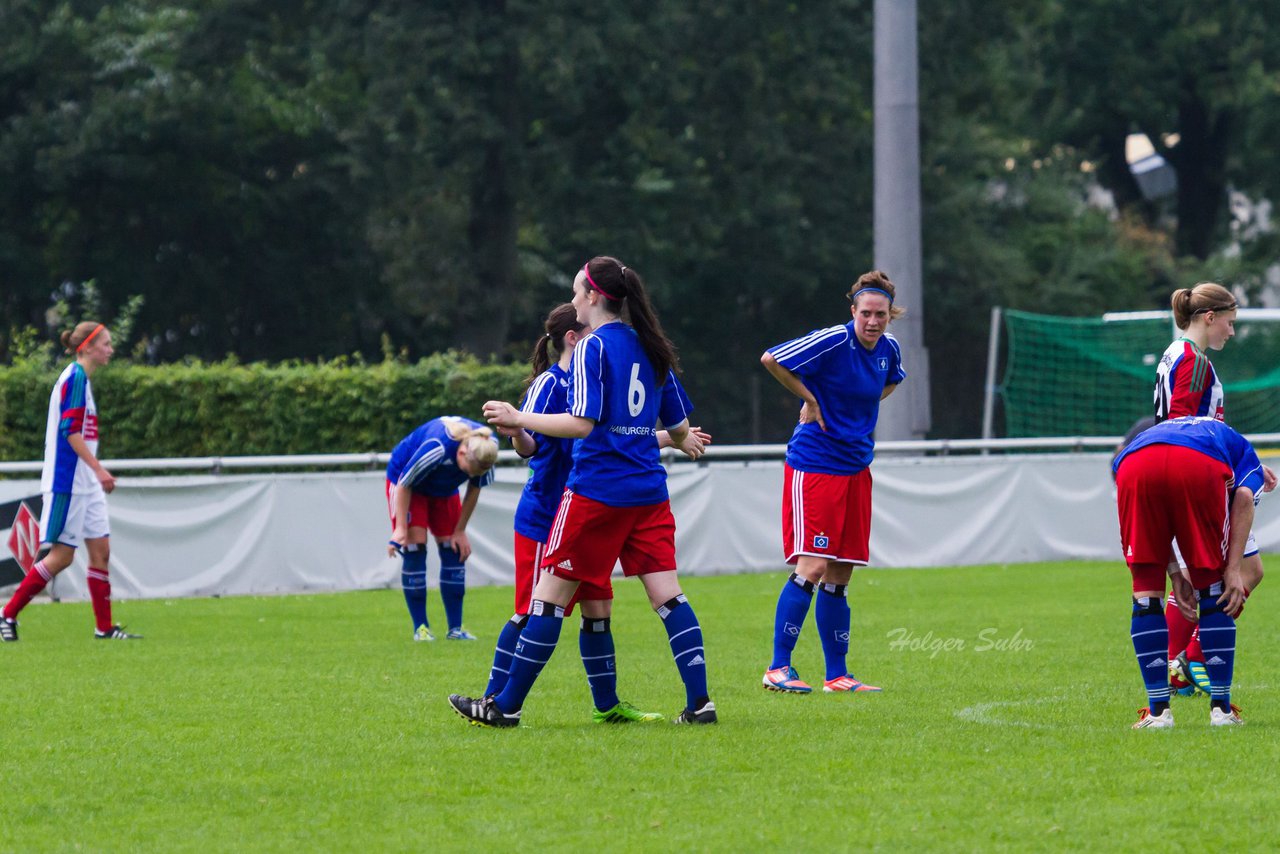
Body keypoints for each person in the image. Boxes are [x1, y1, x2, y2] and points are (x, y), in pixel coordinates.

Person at [450, 255, 715, 727]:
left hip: (597, 493)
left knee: (546, 600)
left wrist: (518, 418)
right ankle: (700, 705)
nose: (573, 299)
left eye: (577, 291)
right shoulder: (651, 347)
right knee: (669, 597)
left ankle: (504, 708)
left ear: (593, 297)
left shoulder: (594, 347)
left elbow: (582, 424)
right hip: (648, 493)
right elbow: (677, 428)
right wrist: (679, 439)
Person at [758, 270, 906, 694]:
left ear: (889, 315)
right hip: (816, 464)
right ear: (853, 311)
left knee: (841, 572)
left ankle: (837, 675)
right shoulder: (833, 340)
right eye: (865, 314)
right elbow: (772, 358)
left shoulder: (888, 350)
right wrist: (812, 400)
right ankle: (777, 668)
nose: (872, 322)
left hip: (857, 467)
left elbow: (893, 379)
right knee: (813, 565)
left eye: (880, 314)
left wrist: (852, 409)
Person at [1152, 283, 1275, 695]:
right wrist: (1227, 468)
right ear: (1210, 317)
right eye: (1230, 322)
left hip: (1199, 470)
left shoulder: (1178, 354)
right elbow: (1185, 427)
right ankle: (1186, 660)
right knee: (1219, 576)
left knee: (1248, 571)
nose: (1232, 331)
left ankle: (1185, 661)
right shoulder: (1194, 362)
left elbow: (1205, 422)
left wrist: (1247, 458)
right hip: (1199, 477)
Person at [1113, 416, 1264, 728]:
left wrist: (1173, 573)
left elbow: (1157, 521)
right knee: (1211, 585)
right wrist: (1232, 569)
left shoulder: (1158, 429)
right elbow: (1245, 498)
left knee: (1145, 590)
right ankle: (1221, 711)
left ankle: (1158, 714)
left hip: (1132, 464)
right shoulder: (1242, 450)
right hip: (1199, 463)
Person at [1, 322, 140, 642]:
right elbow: (70, 432)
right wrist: (99, 470)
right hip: (69, 481)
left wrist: (94, 475)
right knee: (63, 556)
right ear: (88, 347)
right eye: (105, 343)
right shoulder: (75, 378)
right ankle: (6, 614)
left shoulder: (83, 381)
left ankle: (104, 628)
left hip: (85, 483)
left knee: (101, 551)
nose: (110, 349)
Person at [385, 415, 499, 641]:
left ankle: (455, 629)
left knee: (453, 549)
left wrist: (460, 530)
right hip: (408, 485)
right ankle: (421, 628)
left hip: (444, 490)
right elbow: (404, 483)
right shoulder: (437, 448)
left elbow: (474, 490)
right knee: (415, 547)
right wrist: (400, 529)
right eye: (468, 471)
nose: (469, 476)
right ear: (461, 453)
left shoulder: (486, 448)